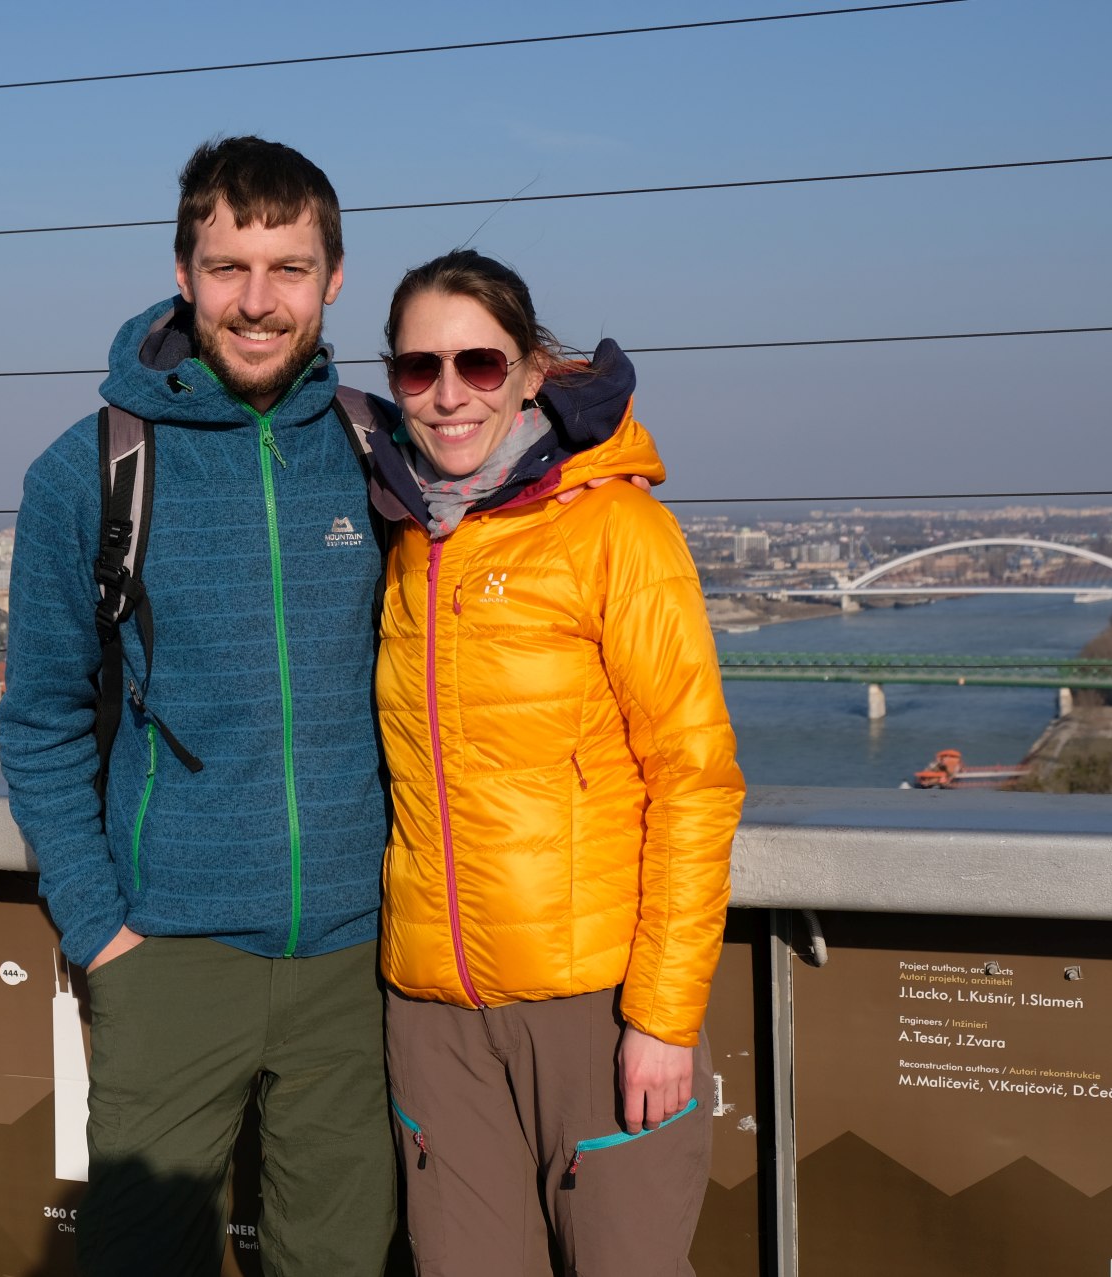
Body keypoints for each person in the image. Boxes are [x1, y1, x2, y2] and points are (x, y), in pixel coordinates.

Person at [0, 137, 395, 1275]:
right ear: (183, 272)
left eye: (289, 268)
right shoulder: (92, 470)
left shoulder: (381, 450)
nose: (258, 302)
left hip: (359, 962)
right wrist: (103, 934)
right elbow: (40, 718)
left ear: (334, 279)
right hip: (165, 953)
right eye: (229, 267)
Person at [362, 249, 745, 1275]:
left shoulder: (617, 528)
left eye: (480, 365)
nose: (449, 396)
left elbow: (696, 779)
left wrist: (662, 1017)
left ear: (532, 371)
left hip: (595, 1006)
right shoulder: (406, 535)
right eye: (418, 368)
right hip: (435, 1019)